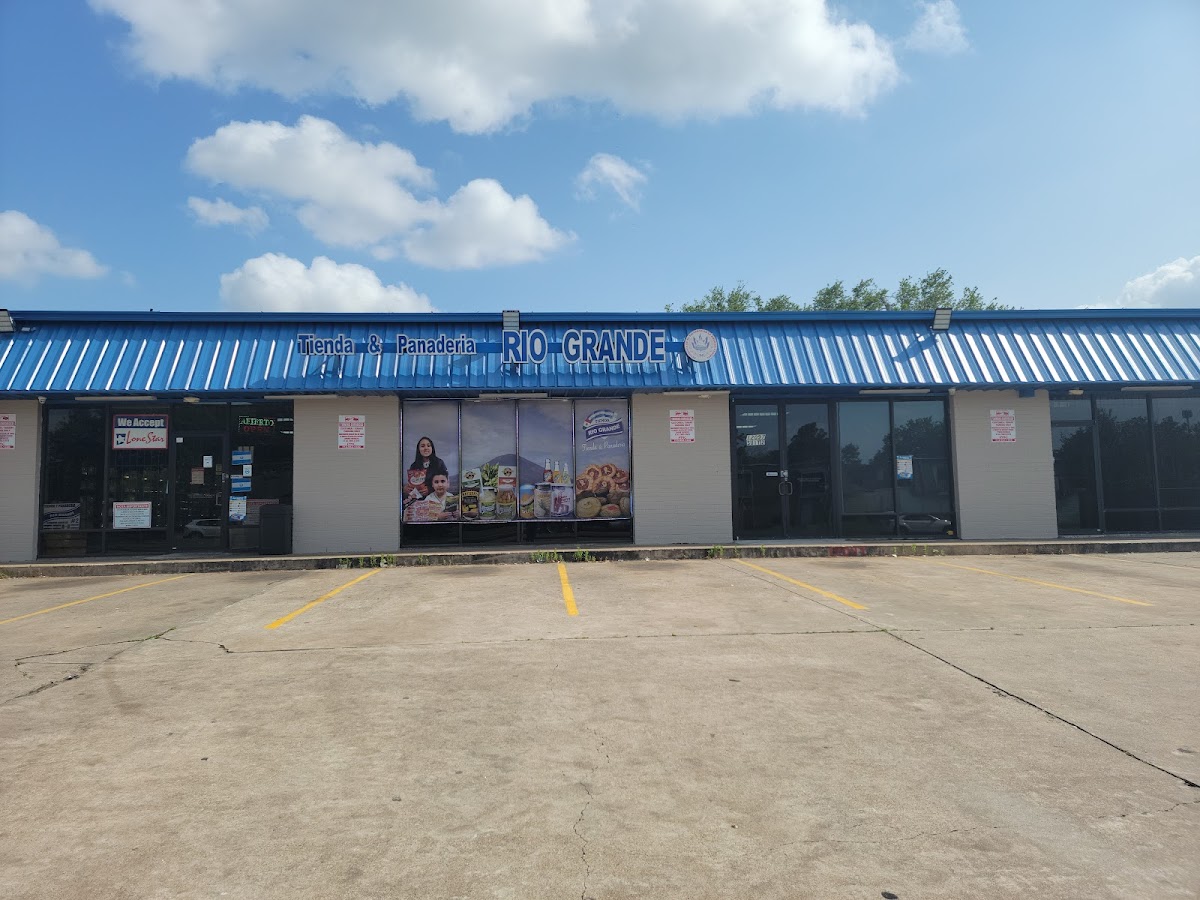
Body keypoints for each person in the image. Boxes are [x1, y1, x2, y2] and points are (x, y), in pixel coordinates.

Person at [405, 436, 450, 504]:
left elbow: (445, 483)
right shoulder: (414, 465)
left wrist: (430, 489)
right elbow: (412, 485)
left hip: (436, 500)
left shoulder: (439, 463)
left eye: (428, 446)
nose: (426, 448)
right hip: (419, 501)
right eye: (422, 446)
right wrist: (408, 489)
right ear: (418, 449)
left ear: (432, 448)